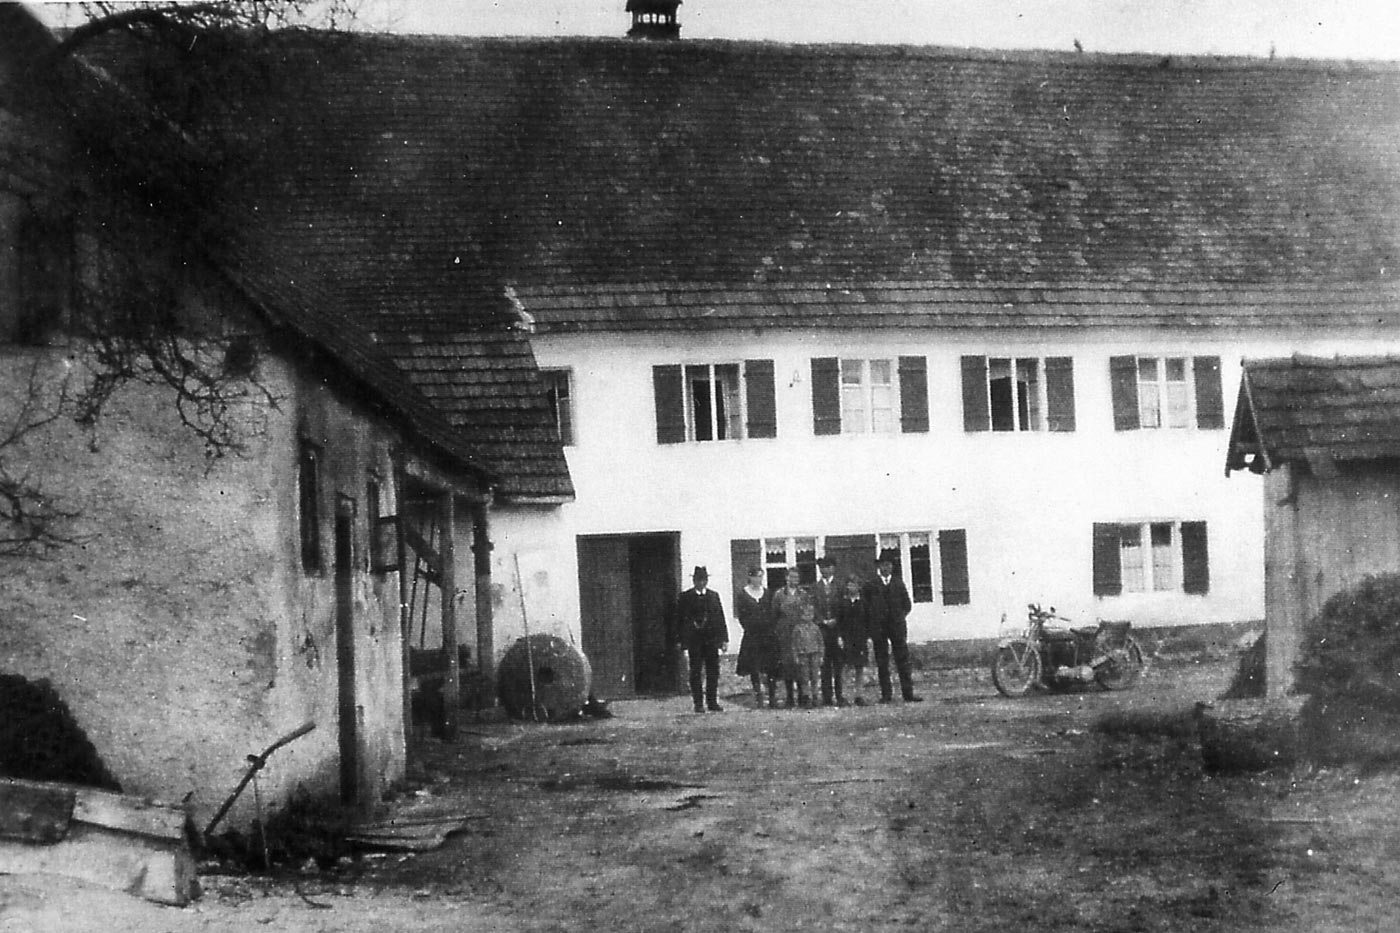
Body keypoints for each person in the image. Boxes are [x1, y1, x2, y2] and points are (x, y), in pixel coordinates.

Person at [863, 558, 923, 704]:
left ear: (892, 566)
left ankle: (908, 694)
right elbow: (866, 607)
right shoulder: (871, 585)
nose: (886, 567)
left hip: (897, 628)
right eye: (883, 564)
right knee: (882, 662)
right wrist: (874, 622)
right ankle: (886, 695)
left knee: (902, 660)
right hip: (879, 629)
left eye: (888, 564)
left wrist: (898, 618)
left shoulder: (898, 583)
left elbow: (907, 605)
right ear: (878, 567)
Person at [673, 566, 729, 713]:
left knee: (713, 671)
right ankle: (698, 703)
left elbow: (720, 618)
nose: (702, 583)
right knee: (696, 671)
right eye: (699, 580)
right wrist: (680, 640)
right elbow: (679, 620)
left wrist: (724, 639)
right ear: (694, 581)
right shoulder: (685, 597)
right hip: (694, 641)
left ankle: (712, 702)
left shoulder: (713, 596)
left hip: (711, 640)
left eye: (704, 580)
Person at [772, 566, 821, 708]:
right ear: (786, 578)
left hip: (801, 633)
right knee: (788, 664)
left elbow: (808, 612)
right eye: (791, 577)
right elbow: (774, 614)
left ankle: (803, 696)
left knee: (802, 665)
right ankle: (789, 697)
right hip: (785, 634)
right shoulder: (779, 594)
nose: (794, 580)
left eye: (796, 577)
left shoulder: (804, 594)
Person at [734, 566, 780, 708]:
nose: (758, 580)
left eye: (760, 577)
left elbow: (773, 613)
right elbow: (742, 616)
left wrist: (769, 627)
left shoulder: (767, 593)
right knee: (754, 666)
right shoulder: (743, 595)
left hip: (767, 635)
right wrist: (751, 627)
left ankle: (772, 697)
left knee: (771, 666)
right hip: (752, 635)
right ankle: (758, 695)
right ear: (750, 577)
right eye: (755, 577)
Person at [812, 557, 845, 706]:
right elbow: (813, 608)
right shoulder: (815, 587)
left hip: (837, 630)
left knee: (838, 664)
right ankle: (827, 697)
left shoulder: (840, 586)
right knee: (824, 664)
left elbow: (844, 607)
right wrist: (822, 621)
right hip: (822, 630)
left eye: (827, 567)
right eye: (821, 567)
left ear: (833, 568)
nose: (824, 570)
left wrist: (837, 620)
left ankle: (839, 695)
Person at [835, 577, 870, 706]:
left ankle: (859, 695)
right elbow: (839, 621)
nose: (851, 588)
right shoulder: (843, 603)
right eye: (849, 585)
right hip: (847, 638)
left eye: (854, 585)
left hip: (860, 638)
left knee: (859, 668)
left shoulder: (864, 603)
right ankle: (844, 696)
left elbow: (868, 621)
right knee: (846, 667)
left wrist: (868, 638)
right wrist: (839, 637)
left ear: (858, 587)